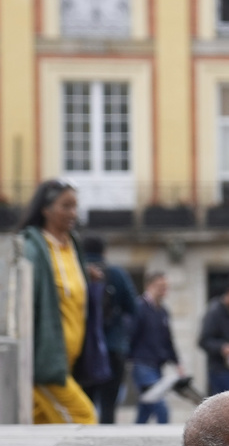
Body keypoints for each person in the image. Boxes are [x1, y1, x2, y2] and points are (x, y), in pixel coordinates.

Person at [18, 180, 98, 425]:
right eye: (66, 206)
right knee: (84, 417)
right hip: (45, 366)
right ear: (46, 209)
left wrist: (87, 273)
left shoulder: (73, 247)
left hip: (68, 362)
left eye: (75, 206)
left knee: (42, 427)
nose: (73, 213)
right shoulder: (32, 249)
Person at [81, 236, 137, 424]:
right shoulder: (116, 274)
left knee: (84, 403)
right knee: (108, 404)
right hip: (113, 347)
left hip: (83, 348)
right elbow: (133, 308)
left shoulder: (77, 271)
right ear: (104, 252)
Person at [130, 271, 183, 425]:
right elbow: (130, 334)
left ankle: (134, 436)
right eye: (160, 286)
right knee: (161, 407)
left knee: (145, 408)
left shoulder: (163, 312)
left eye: (166, 287)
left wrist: (177, 362)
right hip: (142, 364)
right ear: (149, 286)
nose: (164, 291)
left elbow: (168, 340)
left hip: (157, 366)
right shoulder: (139, 307)